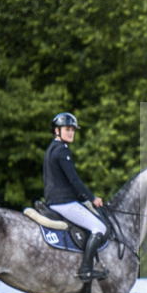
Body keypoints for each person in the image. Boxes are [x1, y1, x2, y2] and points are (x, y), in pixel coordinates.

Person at [43, 112, 107, 281]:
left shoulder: (52, 149)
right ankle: (86, 269)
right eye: (67, 129)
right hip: (63, 202)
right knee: (100, 227)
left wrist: (84, 199)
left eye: (73, 130)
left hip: (54, 200)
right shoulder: (62, 151)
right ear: (57, 131)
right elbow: (74, 180)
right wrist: (92, 198)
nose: (71, 132)